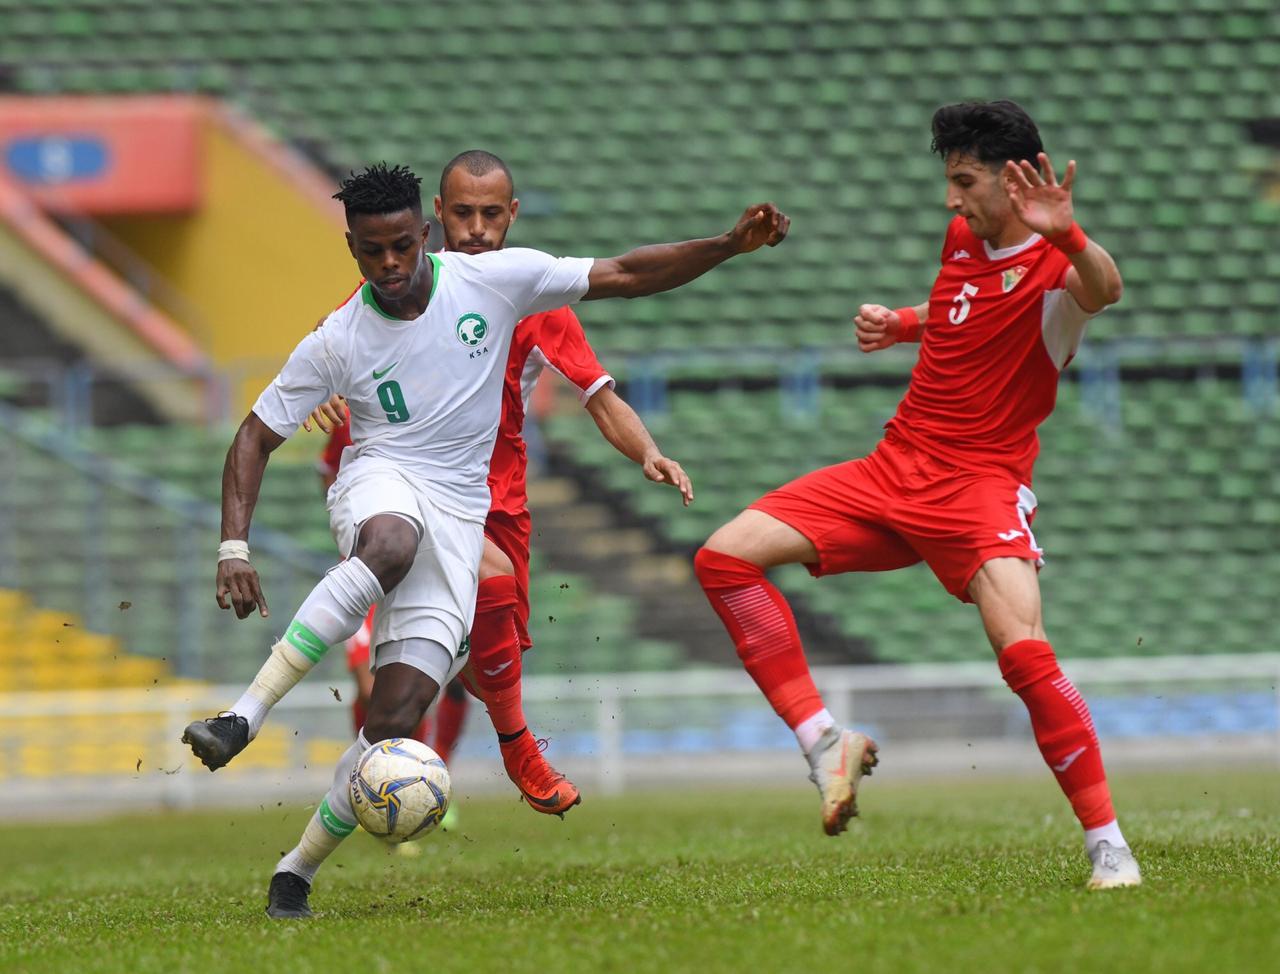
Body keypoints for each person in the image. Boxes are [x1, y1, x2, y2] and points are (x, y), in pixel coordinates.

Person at [182, 161, 788, 918]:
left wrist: (729, 245)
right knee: (392, 540)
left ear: (424, 234)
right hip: (380, 482)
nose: (391, 265)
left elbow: (629, 273)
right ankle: (243, 716)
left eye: (402, 246)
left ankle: (294, 872)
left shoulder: (497, 282)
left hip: (463, 515)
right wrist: (233, 548)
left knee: (393, 722)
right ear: (353, 251)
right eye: (374, 253)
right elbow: (253, 436)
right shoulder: (339, 337)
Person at [693, 100, 1139, 891]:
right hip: (893, 468)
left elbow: (1103, 289)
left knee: (1027, 658)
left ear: (1013, 179)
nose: (951, 200)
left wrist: (1068, 231)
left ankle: (1108, 847)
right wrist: (904, 323)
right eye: (949, 181)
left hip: (979, 488)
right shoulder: (966, 238)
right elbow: (967, 312)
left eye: (964, 182)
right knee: (724, 558)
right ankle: (825, 740)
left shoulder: (1058, 267)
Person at [309, 150, 694, 817]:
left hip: (498, 506)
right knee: (378, 669)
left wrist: (648, 452)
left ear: (512, 216)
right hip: (411, 501)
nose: (478, 228)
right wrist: (322, 385)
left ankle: (409, 779)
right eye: (464, 213)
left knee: (482, 672)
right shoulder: (400, 285)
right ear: (438, 217)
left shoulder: (534, 297)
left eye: (492, 214)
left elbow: (598, 393)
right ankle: (464, 762)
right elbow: (337, 335)